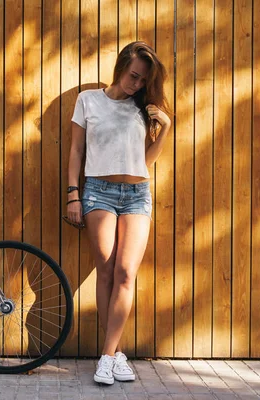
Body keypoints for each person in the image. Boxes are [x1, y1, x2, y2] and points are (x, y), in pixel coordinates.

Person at [66, 41, 171, 385]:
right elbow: (76, 150)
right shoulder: (88, 100)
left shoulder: (143, 107)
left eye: (142, 81)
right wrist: (73, 194)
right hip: (99, 191)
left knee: (126, 273)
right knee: (107, 272)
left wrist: (166, 128)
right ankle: (114, 354)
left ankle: (108, 356)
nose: (136, 84)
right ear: (122, 66)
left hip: (138, 193)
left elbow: (145, 161)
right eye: (133, 76)